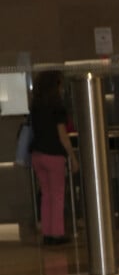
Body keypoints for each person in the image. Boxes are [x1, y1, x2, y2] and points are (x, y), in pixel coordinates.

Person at [30, 70, 79, 245]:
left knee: (46, 195)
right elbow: (62, 135)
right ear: (55, 85)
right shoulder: (57, 106)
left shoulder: (35, 106)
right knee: (57, 194)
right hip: (53, 155)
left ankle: (47, 233)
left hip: (37, 154)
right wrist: (72, 157)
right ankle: (57, 233)